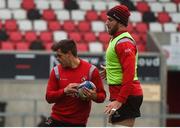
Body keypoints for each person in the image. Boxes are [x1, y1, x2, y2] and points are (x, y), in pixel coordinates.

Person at [44, 39, 106, 127]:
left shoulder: (91, 70)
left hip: (78, 123)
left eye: (59, 56)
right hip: (56, 119)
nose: (57, 59)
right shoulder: (56, 71)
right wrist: (65, 91)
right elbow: (48, 97)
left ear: (69, 54)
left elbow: (102, 97)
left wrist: (93, 96)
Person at [100, 4, 143, 127]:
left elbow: (129, 73)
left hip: (126, 96)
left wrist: (120, 100)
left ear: (120, 22)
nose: (106, 22)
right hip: (120, 95)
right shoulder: (116, 39)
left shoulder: (124, 43)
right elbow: (122, 67)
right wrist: (110, 70)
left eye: (110, 19)